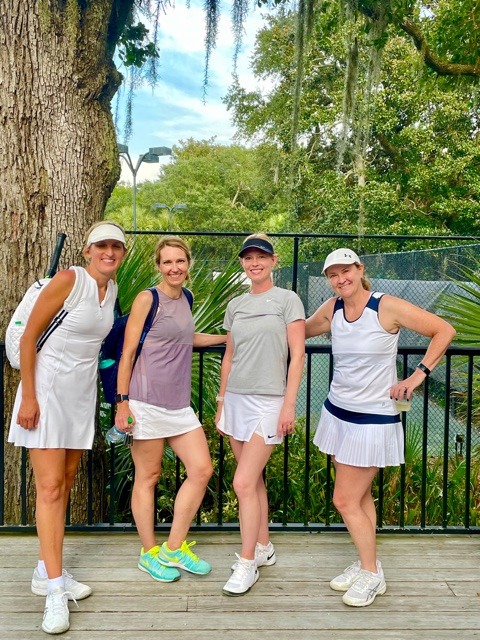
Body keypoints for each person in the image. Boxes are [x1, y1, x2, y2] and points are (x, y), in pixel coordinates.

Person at [306, 248, 456, 607]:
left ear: (360, 270)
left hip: (373, 419)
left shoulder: (385, 306)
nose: (340, 279)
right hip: (338, 413)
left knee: (343, 500)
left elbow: (444, 330)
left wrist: (418, 376)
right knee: (358, 497)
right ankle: (366, 563)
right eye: (333, 274)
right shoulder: (332, 308)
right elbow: (299, 331)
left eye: (346, 271)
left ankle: (372, 574)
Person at [8, 221, 127, 634]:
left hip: (79, 397)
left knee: (67, 479)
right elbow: (29, 338)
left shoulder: (111, 290)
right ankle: (55, 592)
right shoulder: (69, 280)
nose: (109, 252)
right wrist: (29, 398)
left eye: (116, 246)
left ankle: (46, 570)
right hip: (45, 394)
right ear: (87, 250)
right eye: (101, 245)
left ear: (122, 253)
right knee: (50, 488)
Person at [114, 235, 226, 583]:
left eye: (180, 261)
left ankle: (173, 548)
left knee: (202, 469)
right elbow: (128, 352)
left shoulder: (187, 297)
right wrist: (122, 402)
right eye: (167, 262)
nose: (174, 267)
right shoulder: (148, 298)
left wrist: (227, 339)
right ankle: (149, 553)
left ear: (188, 264)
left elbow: (185, 339)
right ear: (158, 266)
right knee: (148, 477)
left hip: (179, 405)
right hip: (145, 402)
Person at [215, 233, 305, 596]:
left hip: (269, 403)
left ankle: (248, 561)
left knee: (242, 483)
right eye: (249, 258)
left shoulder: (287, 300)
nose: (255, 263)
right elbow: (229, 356)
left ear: (273, 261)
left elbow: (297, 355)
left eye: (261, 257)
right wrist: (221, 402)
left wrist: (288, 404)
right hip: (235, 401)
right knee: (251, 483)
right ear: (242, 262)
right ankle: (264, 546)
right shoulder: (235, 305)